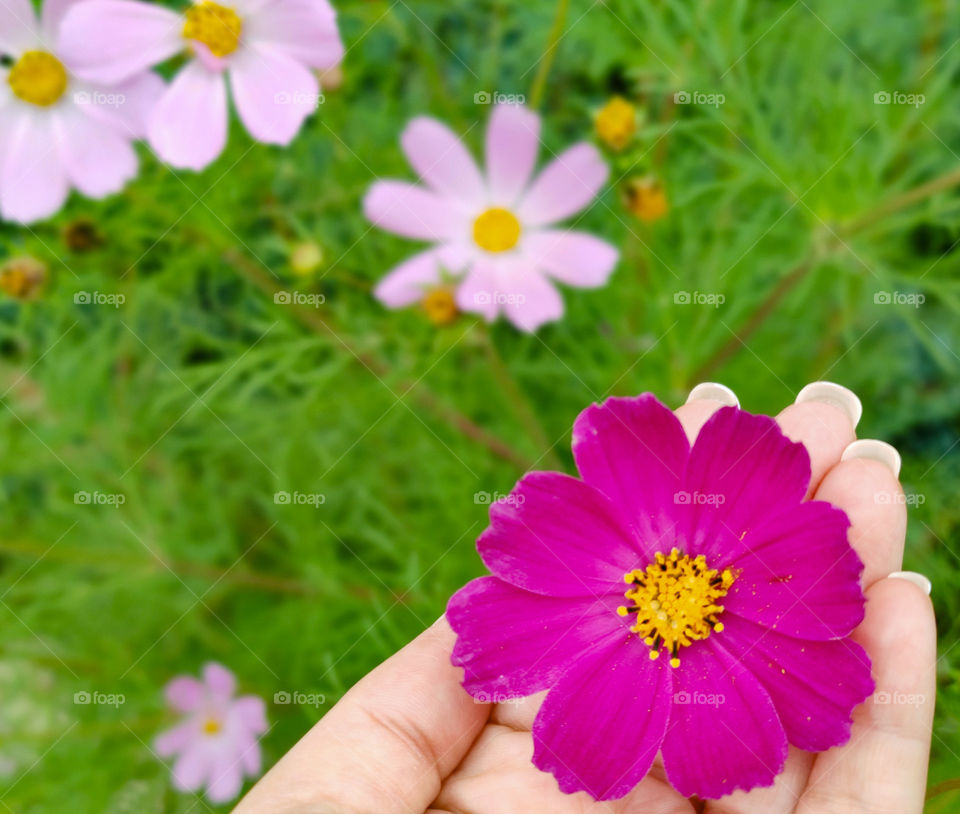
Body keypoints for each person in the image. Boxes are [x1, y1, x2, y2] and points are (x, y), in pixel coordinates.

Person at [234, 383, 936, 814]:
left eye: (675, 598)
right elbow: (511, 623)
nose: (672, 604)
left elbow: (818, 665)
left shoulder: (765, 574)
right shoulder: (543, 626)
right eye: (666, 598)